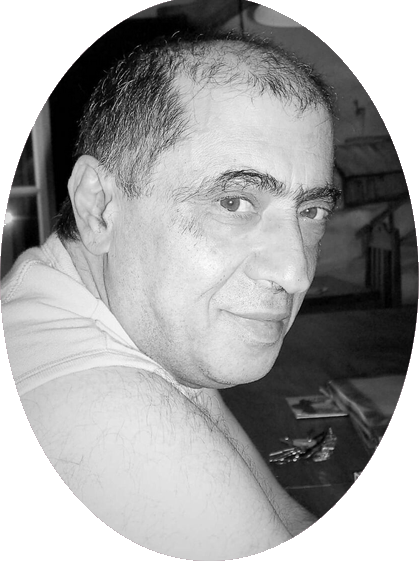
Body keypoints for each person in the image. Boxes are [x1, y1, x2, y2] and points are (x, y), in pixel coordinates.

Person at [2, 32, 339, 559]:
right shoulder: (114, 417)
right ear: (98, 207)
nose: (296, 272)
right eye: (233, 202)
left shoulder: (114, 310)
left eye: (312, 211)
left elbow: (280, 518)